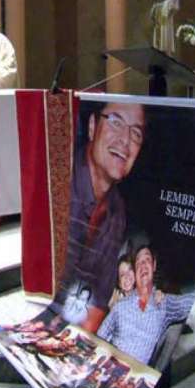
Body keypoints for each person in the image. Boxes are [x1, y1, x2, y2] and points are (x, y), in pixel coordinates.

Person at [58, 101, 146, 334]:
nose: (125, 141)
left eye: (136, 133)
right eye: (116, 122)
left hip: (71, 323)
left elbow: (99, 297)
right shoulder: (61, 180)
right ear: (91, 126)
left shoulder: (117, 210)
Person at [97, 244, 195, 366]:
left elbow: (190, 301)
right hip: (108, 365)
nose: (143, 265)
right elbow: (99, 338)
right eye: (138, 263)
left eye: (147, 260)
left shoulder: (162, 302)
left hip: (135, 375)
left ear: (154, 265)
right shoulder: (118, 305)